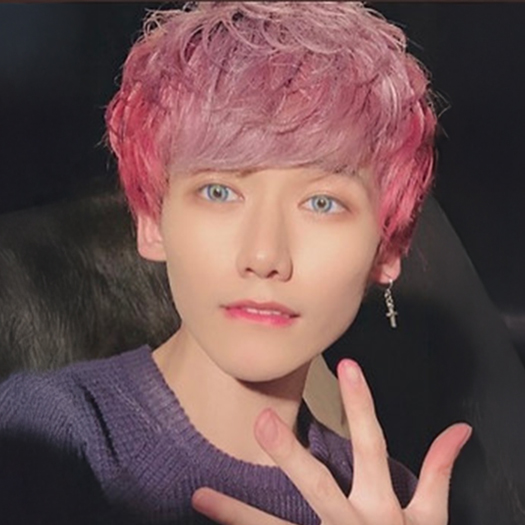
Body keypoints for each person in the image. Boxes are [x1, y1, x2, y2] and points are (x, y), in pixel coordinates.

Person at [0, 2, 471, 524]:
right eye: (219, 191)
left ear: (387, 249)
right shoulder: (44, 434)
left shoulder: (392, 503)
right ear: (152, 220)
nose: (264, 256)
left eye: (322, 203)